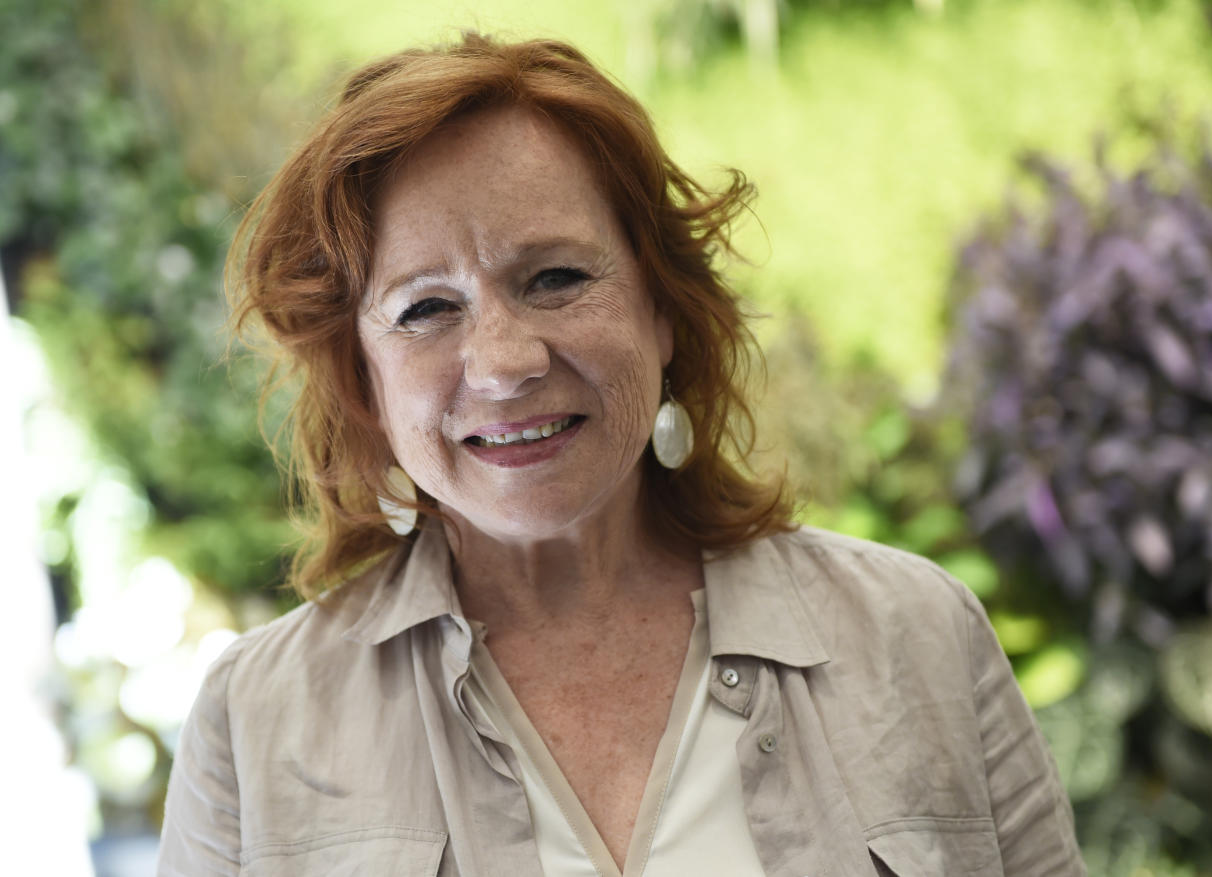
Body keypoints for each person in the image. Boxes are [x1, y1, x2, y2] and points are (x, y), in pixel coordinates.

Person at [157, 33, 1085, 877]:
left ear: (665, 310)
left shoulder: (917, 638)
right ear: (363, 383)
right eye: (426, 309)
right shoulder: (256, 725)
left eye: (556, 278)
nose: (505, 362)